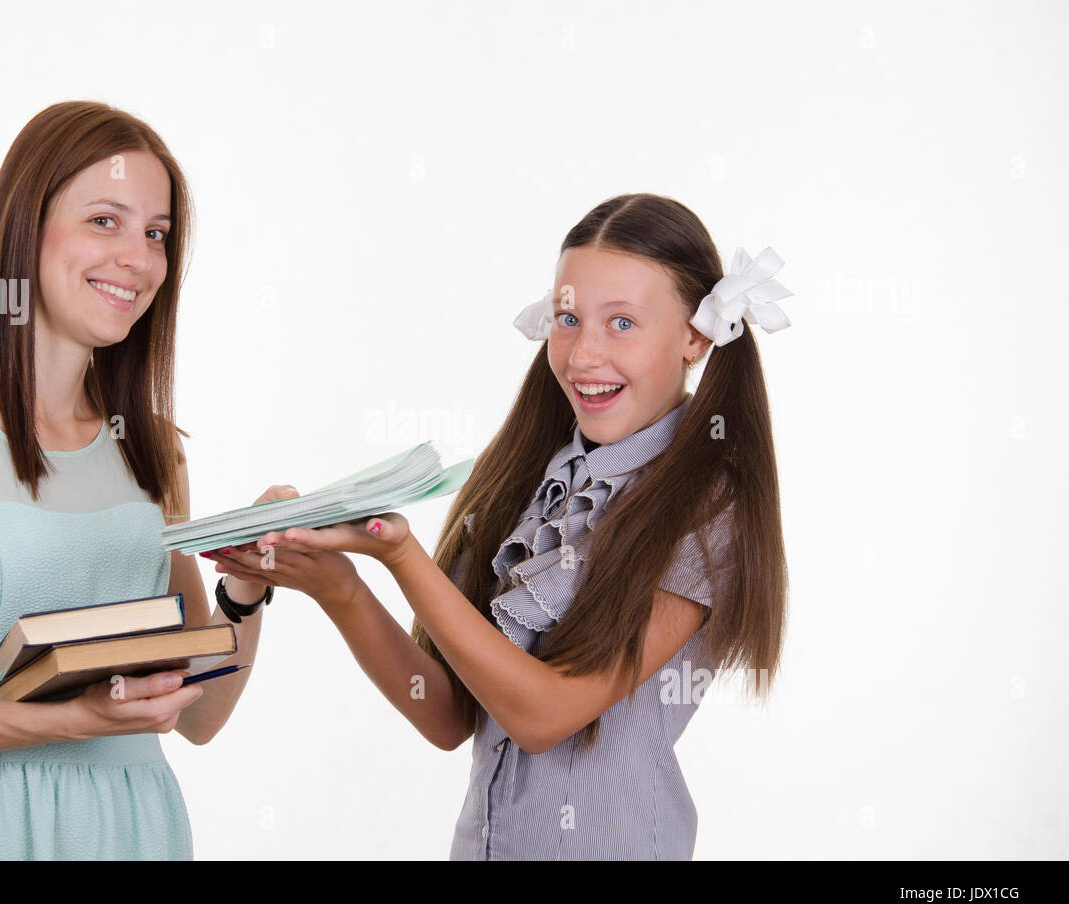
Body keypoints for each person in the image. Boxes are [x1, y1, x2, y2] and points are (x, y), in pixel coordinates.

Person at [207, 193, 790, 860]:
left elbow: (544, 715)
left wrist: (403, 558)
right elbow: (448, 712)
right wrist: (340, 584)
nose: (582, 354)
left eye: (622, 322)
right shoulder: (532, 480)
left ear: (696, 336)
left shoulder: (708, 506)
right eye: (568, 318)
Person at [0, 101, 282, 860]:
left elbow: (200, 715)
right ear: (25, 226)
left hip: (138, 829)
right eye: (105, 220)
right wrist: (71, 721)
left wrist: (247, 586)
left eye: (157, 234)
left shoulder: (154, 451)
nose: (137, 258)